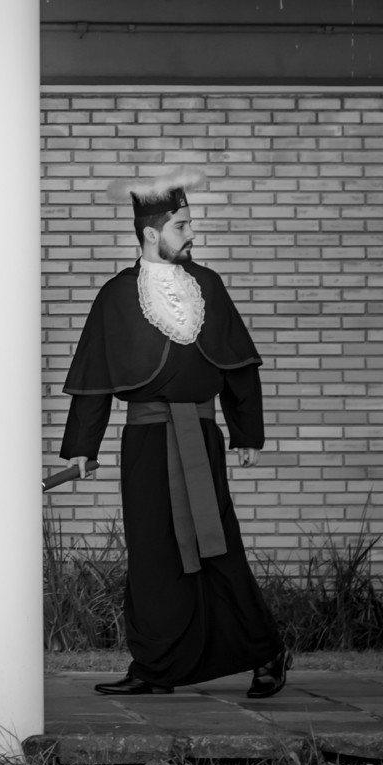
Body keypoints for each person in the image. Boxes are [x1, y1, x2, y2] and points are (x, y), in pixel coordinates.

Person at [59, 169, 291, 698]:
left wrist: (246, 433)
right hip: (144, 443)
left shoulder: (207, 285)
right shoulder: (117, 295)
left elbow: (239, 364)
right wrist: (81, 450)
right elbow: (94, 379)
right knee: (152, 553)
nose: (192, 233)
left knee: (219, 547)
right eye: (182, 224)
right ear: (150, 231)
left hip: (201, 438)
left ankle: (266, 651)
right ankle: (155, 667)